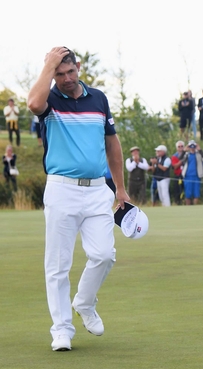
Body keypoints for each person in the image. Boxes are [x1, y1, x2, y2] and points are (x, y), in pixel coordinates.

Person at [28, 46, 130, 351]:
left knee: (103, 254)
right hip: (61, 189)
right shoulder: (50, 99)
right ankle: (61, 330)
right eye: (59, 74)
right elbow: (33, 103)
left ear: (79, 67)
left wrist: (120, 189)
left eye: (70, 71)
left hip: (99, 189)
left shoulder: (98, 99)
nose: (67, 78)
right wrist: (48, 65)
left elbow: (112, 145)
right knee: (58, 264)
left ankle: (84, 303)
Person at [181, 140, 203, 205]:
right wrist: (184, 151)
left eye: (193, 146)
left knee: (196, 194)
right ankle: (188, 208)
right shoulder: (186, 154)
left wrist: (200, 150)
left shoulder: (199, 154)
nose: (192, 147)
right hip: (187, 176)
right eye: (190, 146)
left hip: (197, 176)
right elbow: (180, 159)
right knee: (188, 194)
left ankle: (195, 208)